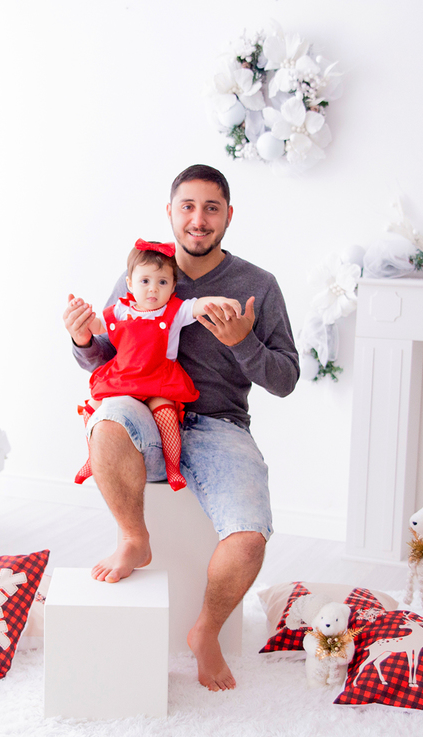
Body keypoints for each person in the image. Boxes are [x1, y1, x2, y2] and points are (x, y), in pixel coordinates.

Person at [63, 164, 298, 691]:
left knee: (248, 538)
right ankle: (133, 539)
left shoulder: (256, 286)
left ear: (229, 216)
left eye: (211, 208)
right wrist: (83, 341)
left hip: (219, 426)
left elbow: (285, 380)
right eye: (187, 207)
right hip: (144, 413)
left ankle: (206, 632)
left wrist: (243, 341)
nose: (198, 219)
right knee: (105, 421)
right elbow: (106, 357)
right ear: (170, 213)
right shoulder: (138, 272)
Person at [70, 239, 242, 491]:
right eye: (145, 281)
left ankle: (173, 467)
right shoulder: (121, 310)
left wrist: (222, 302)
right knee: (94, 410)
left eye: (162, 282)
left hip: (158, 380)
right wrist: (81, 317)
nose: (153, 289)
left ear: (173, 286)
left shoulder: (174, 310)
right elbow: (97, 327)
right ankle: (91, 458)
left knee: (167, 416)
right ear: (129, 283)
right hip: (124, 378)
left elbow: (198, 306)